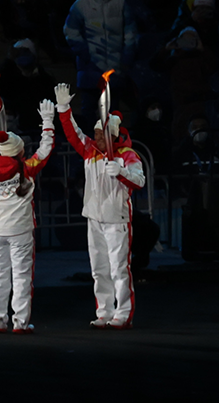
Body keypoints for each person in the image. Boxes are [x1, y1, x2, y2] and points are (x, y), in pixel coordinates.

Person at [55, 83, 144, 330]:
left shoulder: (128, 156)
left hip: (116, 220)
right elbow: (72, 133)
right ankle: (104, 312)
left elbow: (140, 181)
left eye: (100, 135)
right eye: (95, 134)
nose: (96, 139)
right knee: (99, 269)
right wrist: (64, 110)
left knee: (119, 269)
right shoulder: (89, 151)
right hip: (94, 218)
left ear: (113, 136)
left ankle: (123, 314)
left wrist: (122, 172)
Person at [0, 99, 55, 334]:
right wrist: (48, 122)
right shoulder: (27, 167)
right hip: (20, 231)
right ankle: (20, 323)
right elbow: (45, 149)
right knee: (22, 277)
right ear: (20, 151)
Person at [63, 0, 138, 116]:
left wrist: (126, 57)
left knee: (112, 113)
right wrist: (85, 54)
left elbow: (131, 32)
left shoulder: (120, 4)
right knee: (89, 111)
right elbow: (70, 31)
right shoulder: (79, 5)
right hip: (89, 67)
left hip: (115, 67)